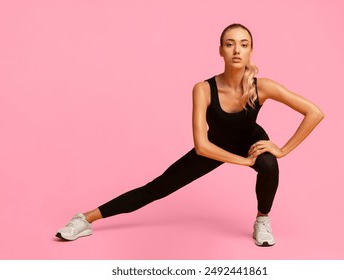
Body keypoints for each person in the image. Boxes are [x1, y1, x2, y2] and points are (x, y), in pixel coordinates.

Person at [56, 23, 324, 246]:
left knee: (269, 163)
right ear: (220, 50)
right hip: (214, 146)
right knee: (158, 187)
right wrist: (243, 161)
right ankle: (85, 219)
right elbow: (201, 146)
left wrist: (282, 149)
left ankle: (262, 220)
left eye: (243, 44)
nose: (236, 50)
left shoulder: (263, 87)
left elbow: (314, 112)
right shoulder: (203, 89)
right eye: (230, 43)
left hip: (251, 140)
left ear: (251, 50)